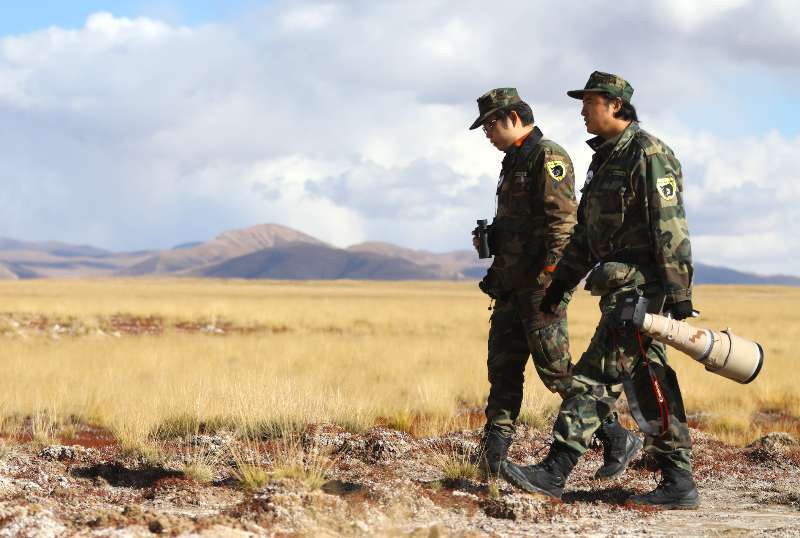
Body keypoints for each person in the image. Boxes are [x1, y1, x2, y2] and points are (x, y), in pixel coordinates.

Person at [500, 72, 699, 509]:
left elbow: (670, 227)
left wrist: (679, 294)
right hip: (620, 290)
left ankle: (555, 470)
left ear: (613, 105)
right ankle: (678, 480)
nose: (582, 111)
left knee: (594, 376)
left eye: (588, 102)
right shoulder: (605, 159)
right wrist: (560, 285)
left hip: (642, 290)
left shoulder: (648, 154)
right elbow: (587, 236)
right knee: (648, 380)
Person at [468, 87, 640, 480]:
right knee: (503, 368)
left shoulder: (548, 156)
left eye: (491, 125)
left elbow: (562, 226)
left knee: (557, 372)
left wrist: (551, 281)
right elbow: (522, 225)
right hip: (511, 286)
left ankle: (616, 436)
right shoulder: (513, 161)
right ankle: (493, 457)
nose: (487, 134)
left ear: (513, 117)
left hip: (538, 287)